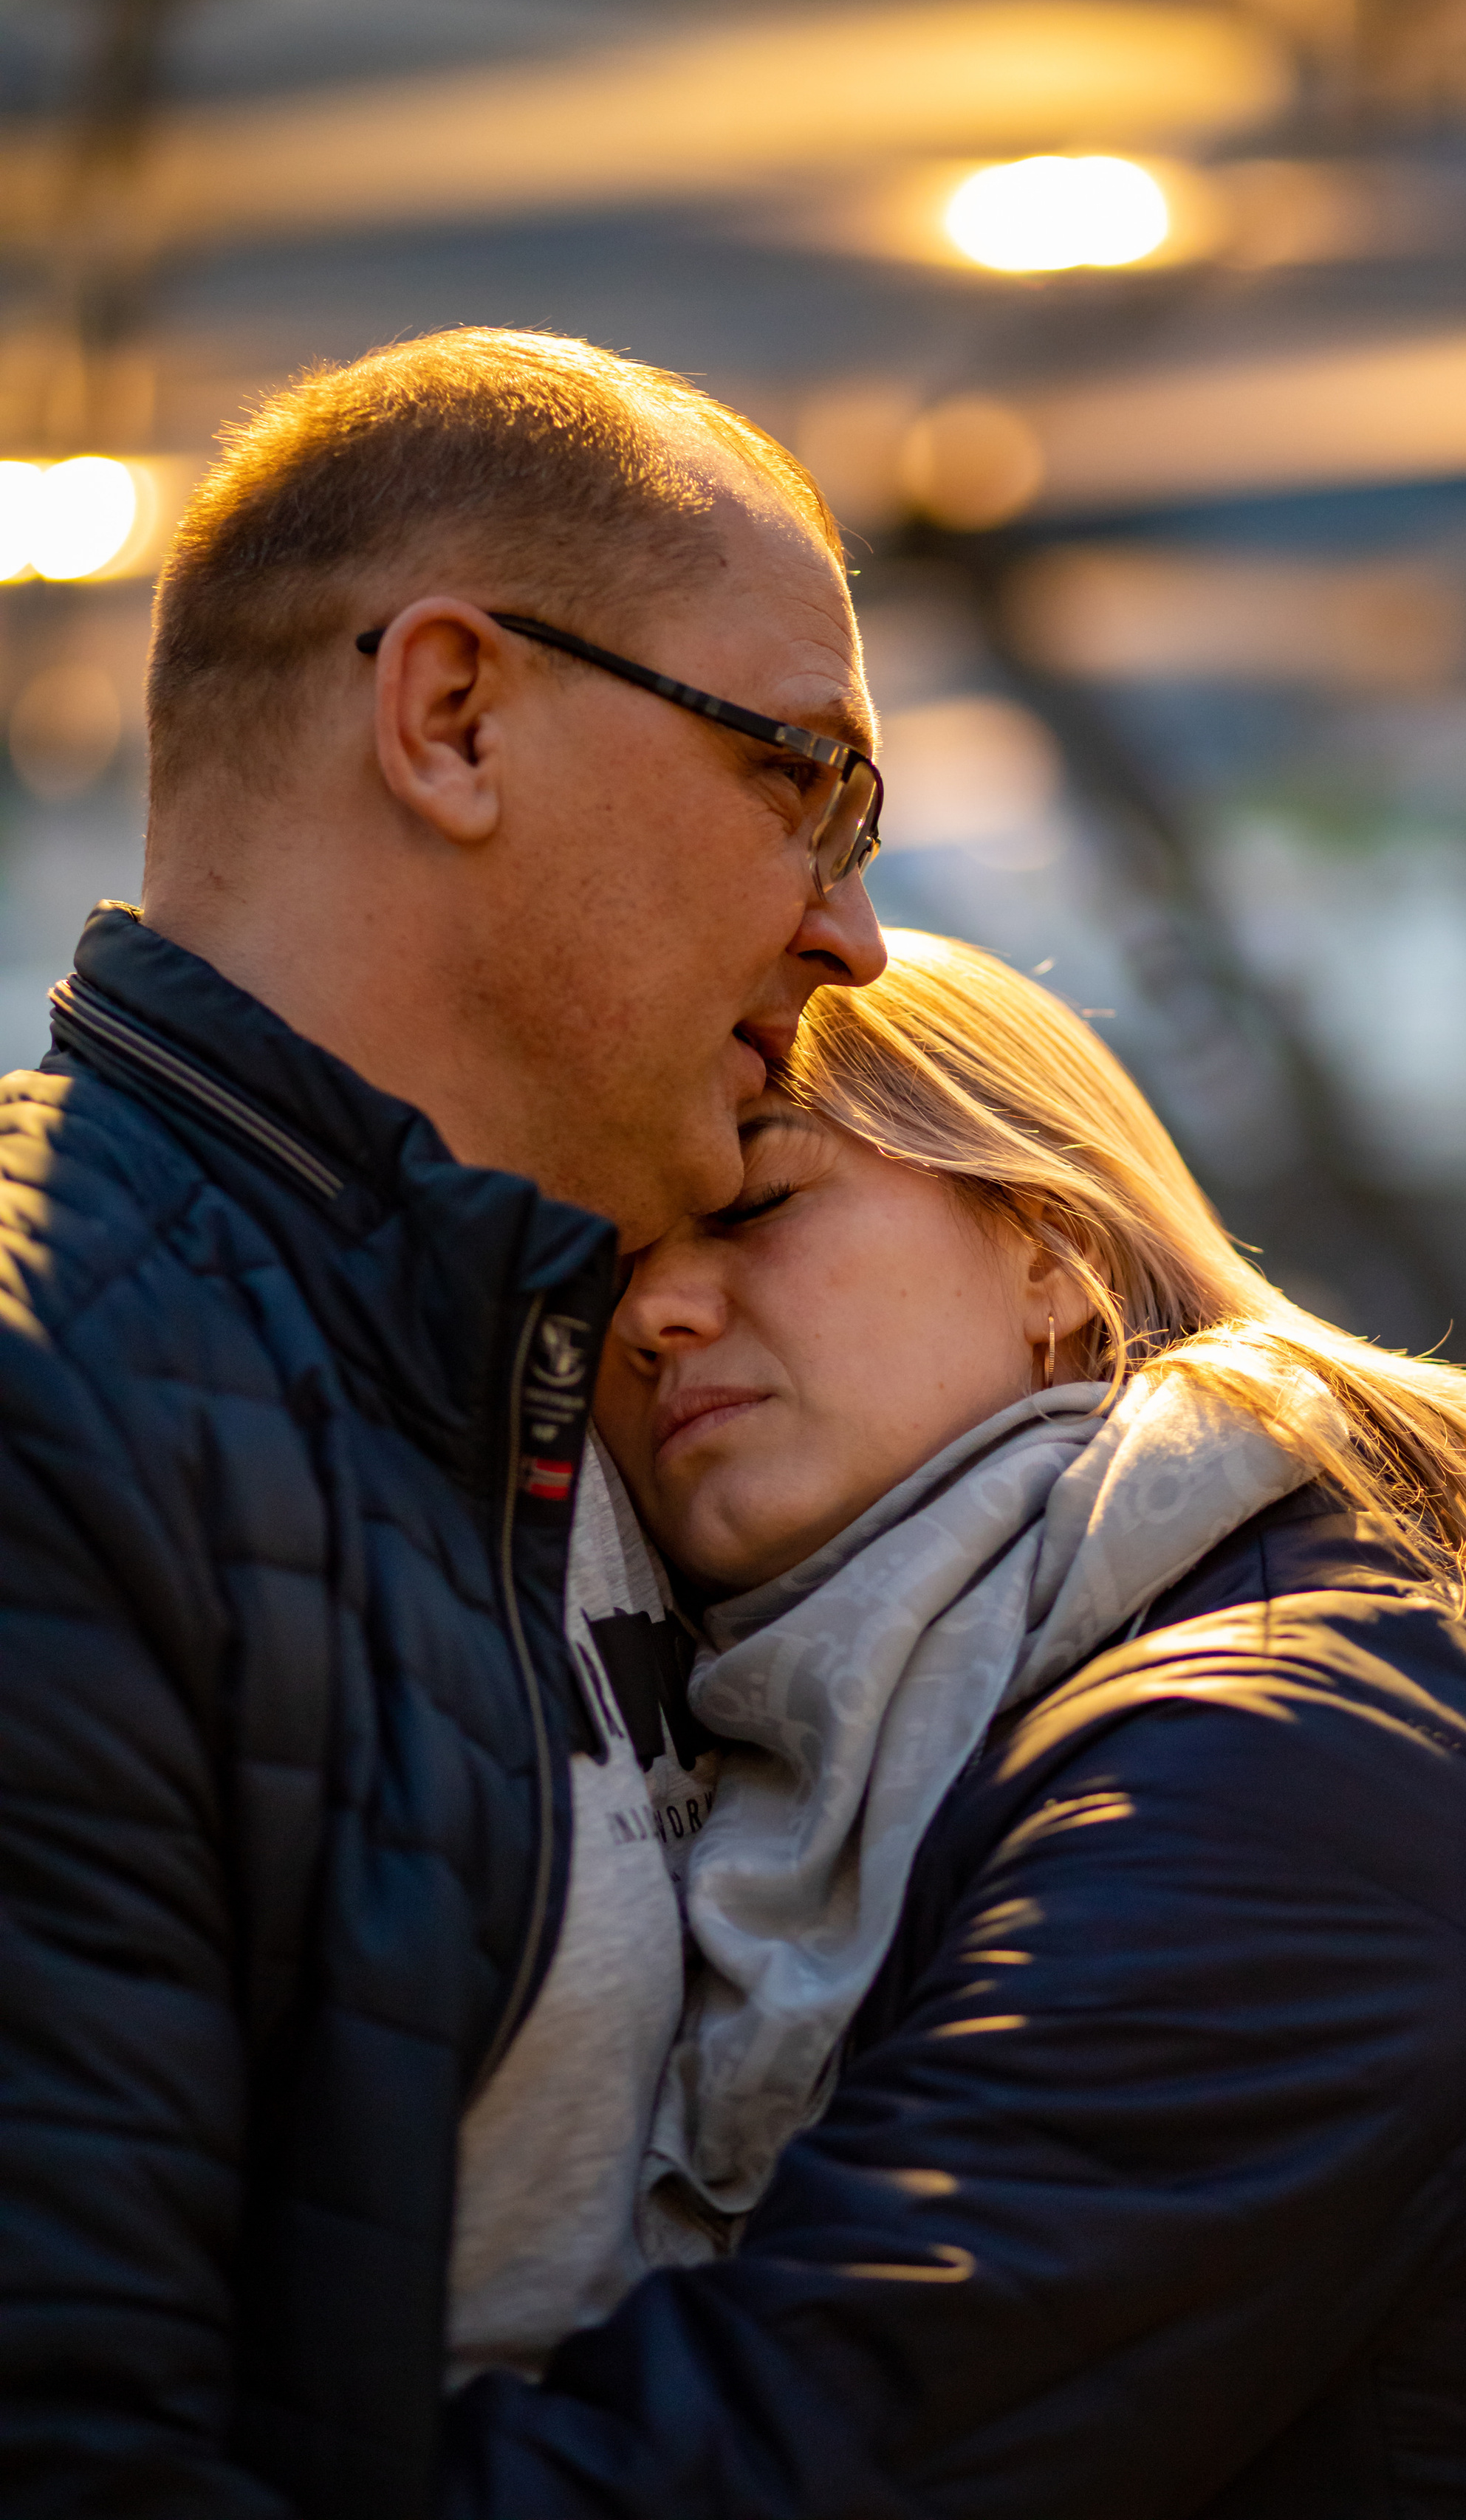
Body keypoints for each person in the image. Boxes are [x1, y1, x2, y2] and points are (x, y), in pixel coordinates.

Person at [443, 929, 1466, 2520]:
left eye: (753, 1206)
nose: (651, 1319)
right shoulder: (877, 1745)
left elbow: (803, 2460)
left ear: (1049, 1250)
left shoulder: (1271, 1768)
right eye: (610, 1271)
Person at [0, 329, 887, 2520]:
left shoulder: (596, 1357)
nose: (857, 931)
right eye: (807, 780)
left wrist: (1420, 2001)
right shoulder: (52, 1418)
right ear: (455, 716)